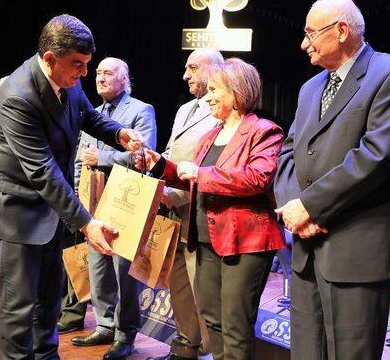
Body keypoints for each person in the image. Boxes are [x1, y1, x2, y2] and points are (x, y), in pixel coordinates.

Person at [0, 14, 144, 359]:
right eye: (78, 65)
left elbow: (89, 115)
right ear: (50, 59)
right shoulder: (17, 96)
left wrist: (118, 133)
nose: (85, 73)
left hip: (51, 208)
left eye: (88, 65)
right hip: (17, 212)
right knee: (19, 307)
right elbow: (42, 171)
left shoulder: (68, 77)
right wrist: (86, 221)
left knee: (50, 298)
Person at [273, 0, 390, 360]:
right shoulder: (309, 89)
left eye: (310, 34)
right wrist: (293, 210)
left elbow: (375, 156)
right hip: (307, 248)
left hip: (357, 249)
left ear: (340, 31)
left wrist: (310, 207)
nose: (304, 44)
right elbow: (288, 153)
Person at [137, 58, 286, 360]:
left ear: (236, 92)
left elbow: (256, 179)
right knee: (212, 318)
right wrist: (161, 165)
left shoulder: (264, 131)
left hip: (245, 243)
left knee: (234, 322)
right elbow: (190, 176)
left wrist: (200, 174)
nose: (207, 96)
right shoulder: (209, 136)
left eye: (214, 89)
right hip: (206, 239)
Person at [69, 57, 157, 360]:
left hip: (126, 200)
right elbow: (82, 158)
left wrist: (103, 160)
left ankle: (125, 334)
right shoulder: (92, 113)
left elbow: (145, 156)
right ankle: (104, 325)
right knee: (98, 267)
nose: (100, 78)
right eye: (98, 73)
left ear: (125, 78)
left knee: (123, 271)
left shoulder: (141, 110)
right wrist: (80, 197)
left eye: (107, 73)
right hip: (94, 202)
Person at [146, 48, 223, 360]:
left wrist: (174, 191)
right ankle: (185, 347)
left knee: (200, 285)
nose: (185, 75)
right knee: (177, 281)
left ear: (215, 68)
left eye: (193, 68)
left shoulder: (222, 109)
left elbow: (210, 162)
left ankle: (207, 350)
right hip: (172, 206)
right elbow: (173, 150)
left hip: (198, 208)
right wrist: (156, 171)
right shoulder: (184, 110)